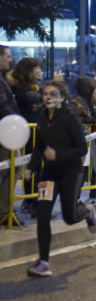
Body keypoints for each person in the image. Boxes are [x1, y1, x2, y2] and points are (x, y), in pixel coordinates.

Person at [24, 81, 96, 277]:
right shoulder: (42, 117)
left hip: (70, 173)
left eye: (52, 94)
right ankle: (43, 262)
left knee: (69, 217)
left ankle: (87, 213)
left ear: (62, 98)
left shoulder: (70, 118)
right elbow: (39, 147)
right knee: (43, 215)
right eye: (45, 93)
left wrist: (58, 155)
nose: (47, 97)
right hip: (49, 174)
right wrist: (31, 168)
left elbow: (82, 149)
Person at [8, 58, 44, 217]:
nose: (40, 71)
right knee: (33, 169)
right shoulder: (21, 90)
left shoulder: (36, 88)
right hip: (30, 135)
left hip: (41, 134)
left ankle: (40, 203)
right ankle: (32, 202)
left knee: (43, 170)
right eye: (37, 69)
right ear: (29, 71)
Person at [0, 45, 20, 226]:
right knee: (12, 169)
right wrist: (17, 121)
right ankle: (4, 211)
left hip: (7, 131)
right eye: (7, 56)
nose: (10, 59)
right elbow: (3, 106)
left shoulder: (3, 78)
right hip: (5, 133)